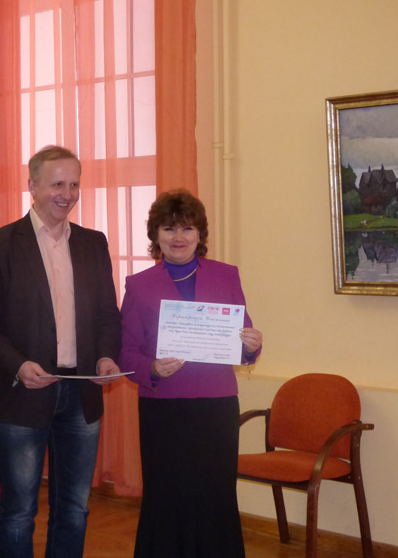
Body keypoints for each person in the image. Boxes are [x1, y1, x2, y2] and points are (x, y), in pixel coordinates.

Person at [0, 145, 122, 558]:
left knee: (74, 509)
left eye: (74, 184)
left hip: (82, 395)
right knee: (18, 512)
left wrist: (106, 356)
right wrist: (17, 365)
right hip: (23, 394)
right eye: (57, 184)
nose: (66, 194)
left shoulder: (93, 243)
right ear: (32, 186)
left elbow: (108, 314)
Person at [119, 189, 263, 558]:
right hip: (164, 408)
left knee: (215, 493)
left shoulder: (226, 276)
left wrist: (252, 345)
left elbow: (242, 339)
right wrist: (151, 367)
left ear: (200, 234)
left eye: (187, 228)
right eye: (169, 229)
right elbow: (126, 353)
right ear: (156, 235)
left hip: (216, 407)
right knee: (167, 495)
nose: (178, 237)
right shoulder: (139, 285)